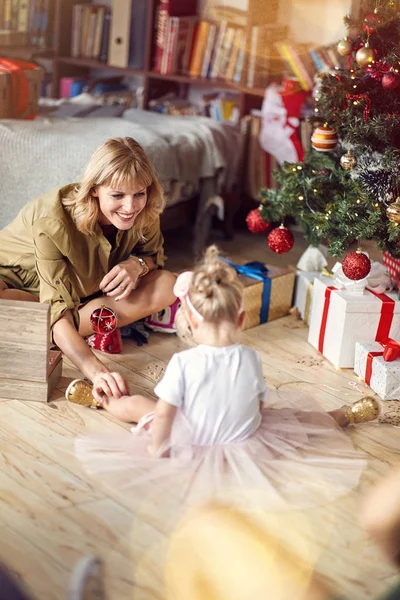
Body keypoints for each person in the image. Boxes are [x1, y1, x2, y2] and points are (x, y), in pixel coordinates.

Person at [73, 246, 380, 522]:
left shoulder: (183, 363)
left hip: (193, 439)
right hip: (245, 441)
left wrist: (157, 448)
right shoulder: (250, 358)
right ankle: (345, 415)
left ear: (191, 321)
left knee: (139, 406)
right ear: (240, 317)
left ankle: (101, 398)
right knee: (297, 420)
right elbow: (258, 405)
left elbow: (166, 415)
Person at [0, 137, 177, 402]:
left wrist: (136, 265)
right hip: (17, 284)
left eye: (138, 193)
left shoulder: (145, 208)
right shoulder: (51, 219)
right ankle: (68, 332)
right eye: (117, 195)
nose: (130, 207)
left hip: (80, 296)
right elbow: (56, 307)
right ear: (94, 188)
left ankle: (55, 333)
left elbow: (153, 257)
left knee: (167, 284)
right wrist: (96, 371)